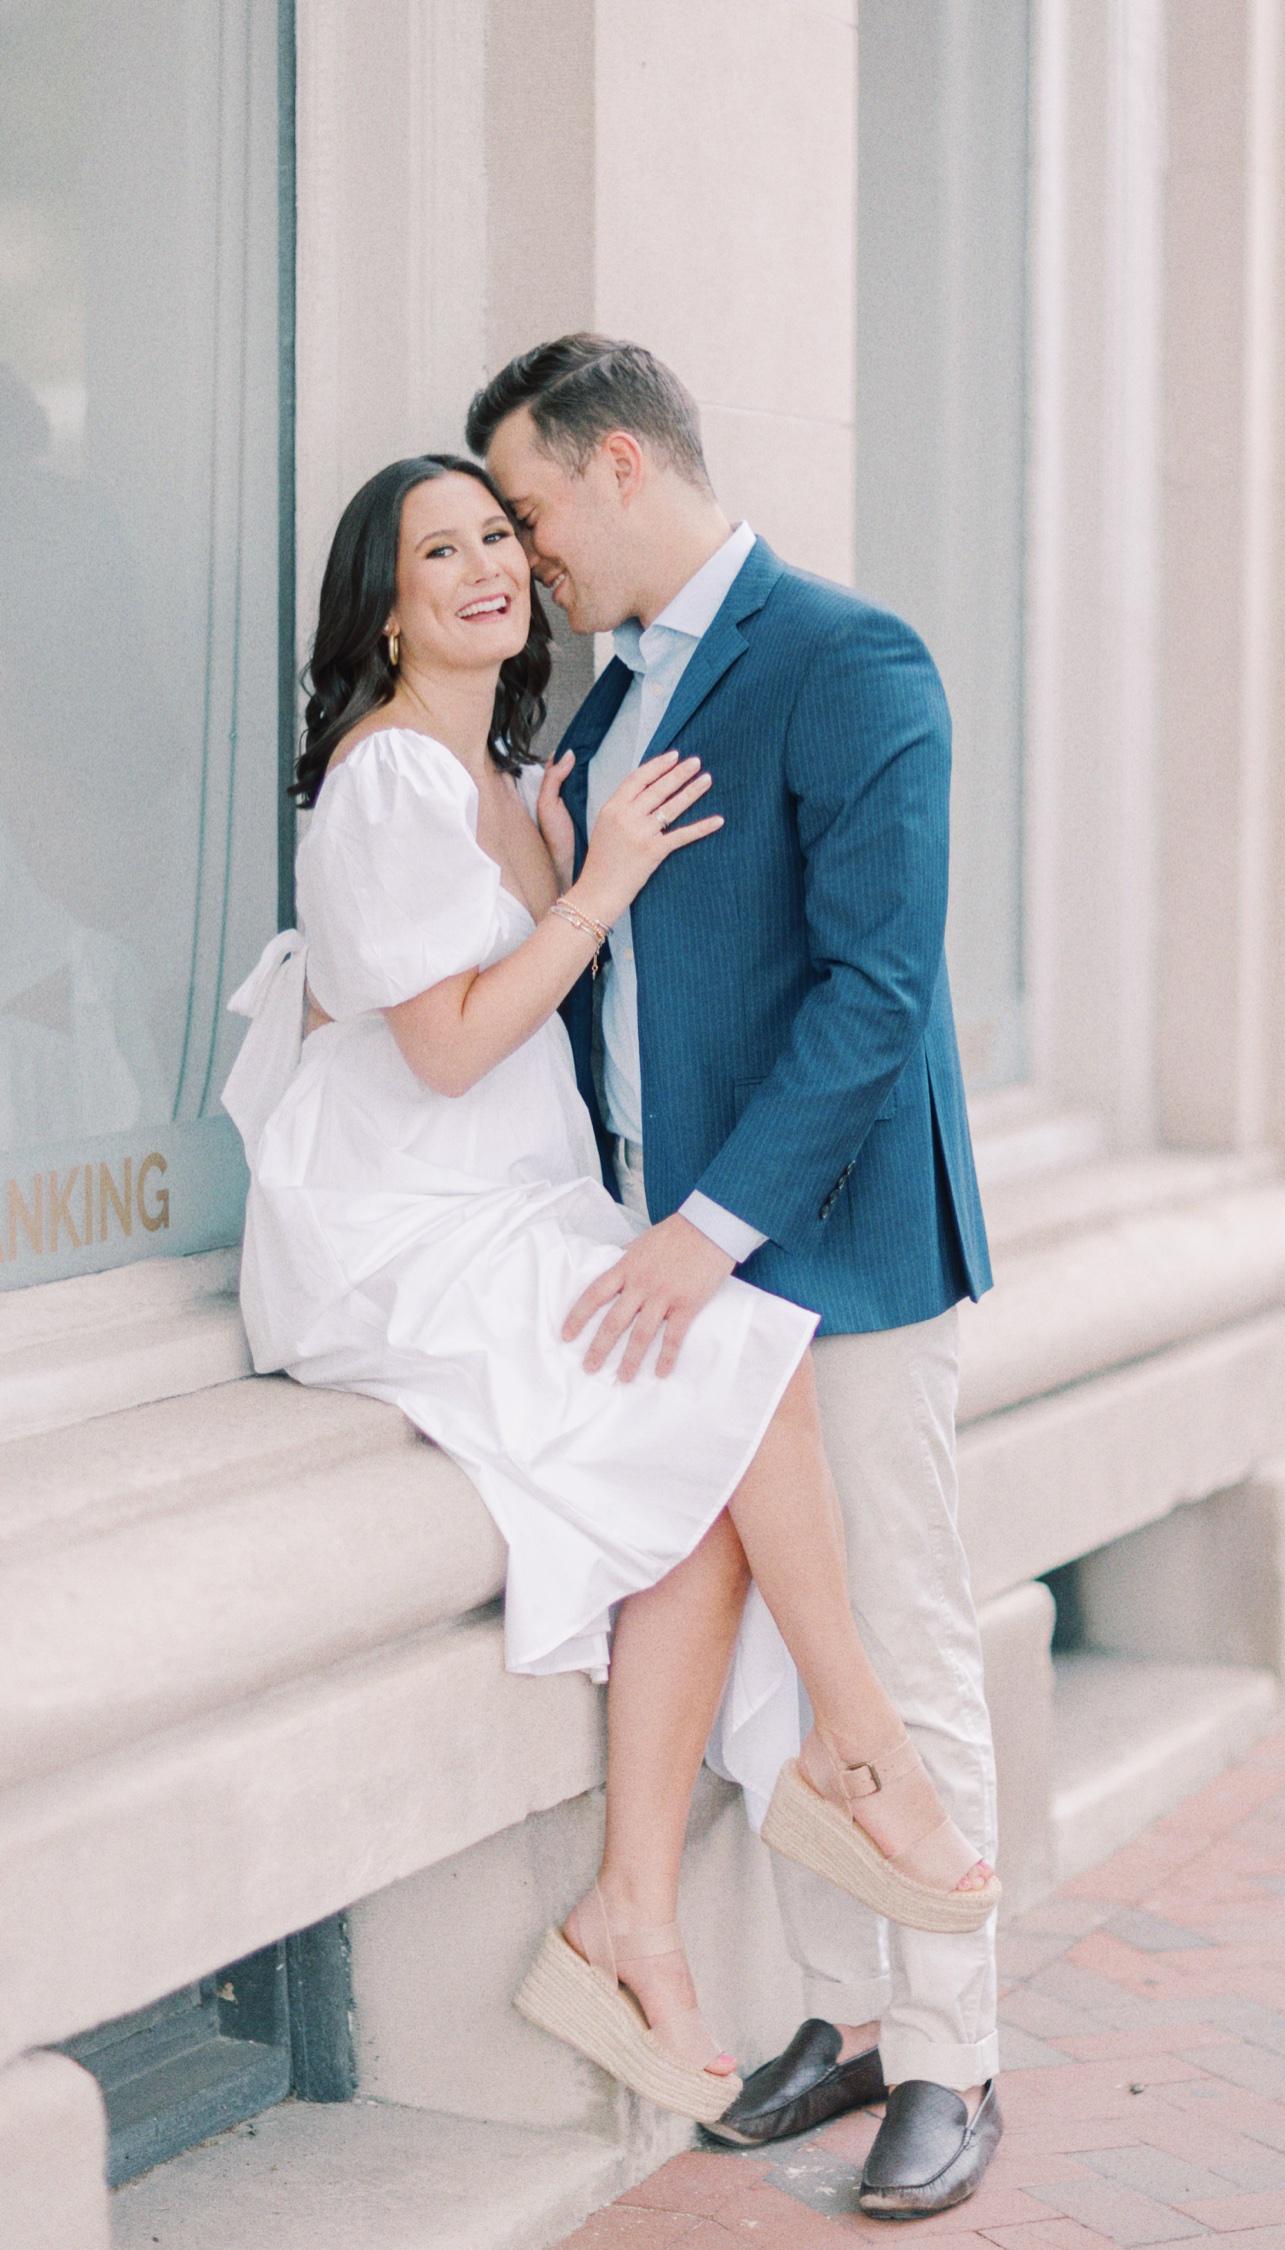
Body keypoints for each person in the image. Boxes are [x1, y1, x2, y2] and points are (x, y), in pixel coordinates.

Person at [221, 452, 996, 2147]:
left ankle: (630, 1909)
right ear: (384, 600)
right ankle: (861, 1751)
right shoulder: (389, 784)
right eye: (445, 547)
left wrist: (574, 855)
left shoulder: (518, 770)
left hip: (512, 1199)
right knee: (728, 1364)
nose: (496, 563)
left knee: (708, 1449)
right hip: (403, 1222)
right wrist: (598, 885)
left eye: (503, 531)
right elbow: (441, 1043)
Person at [470, 337, 1002, 2219]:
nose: (524, 559)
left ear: (622, 467)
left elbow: (879, 992)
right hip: (674, 1273)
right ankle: (848, 2021)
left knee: (896, 1640)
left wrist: (713, 1227)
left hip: (831, 1250)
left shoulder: (854, 659)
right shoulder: (611, 696)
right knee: (782, 1651)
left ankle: (951, 2053)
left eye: (528, 512)